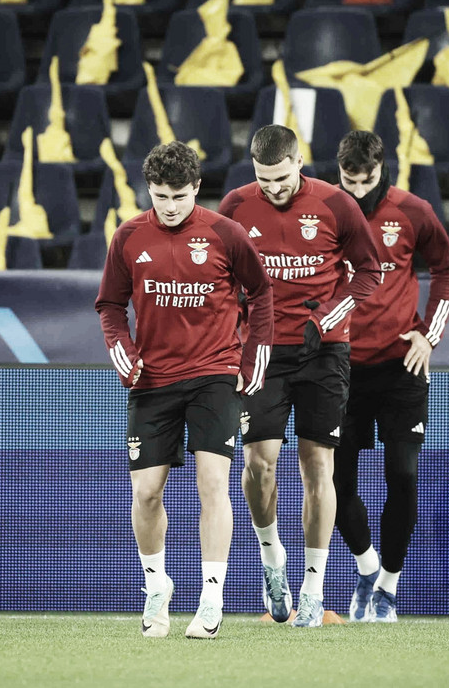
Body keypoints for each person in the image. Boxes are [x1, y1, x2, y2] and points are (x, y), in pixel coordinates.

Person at [96, 141, 274, 640]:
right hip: (152, 380)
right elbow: (109, 305)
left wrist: (252, 357)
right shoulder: (128, 237)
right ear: (148, 191)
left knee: (213, 483)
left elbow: (261, 293)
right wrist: (121, 350)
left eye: (178, 195)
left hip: (215, 375)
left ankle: (211, 598)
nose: (169, 206)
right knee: (146, 492)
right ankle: (157, 586)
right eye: (160, 196)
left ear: (197, 189)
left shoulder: (226, 233)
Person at [218, 125, 382, 628]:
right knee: (257, 465)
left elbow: (369, 273)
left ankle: (313, 588)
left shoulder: (336, 205)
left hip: (324, 351)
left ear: (299, 162)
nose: (274, 188)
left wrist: (326, 319)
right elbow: (218, 278)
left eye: (282, 177)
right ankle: (272, 559)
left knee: (318, 467)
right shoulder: (235, 207)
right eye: (264, 179)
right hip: (263, 350)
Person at [332, 131, 449, 623]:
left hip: (401, 366)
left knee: (402, 475)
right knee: (335, 482)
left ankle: (387, 586)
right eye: (348, 180)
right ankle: (365, 569)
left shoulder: (414, 211)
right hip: (340, 368)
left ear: (382, 168)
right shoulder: (324, 211)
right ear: (338, 171)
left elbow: (445, 269)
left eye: (366, 181)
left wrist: (429, 336)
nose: (358, 190)